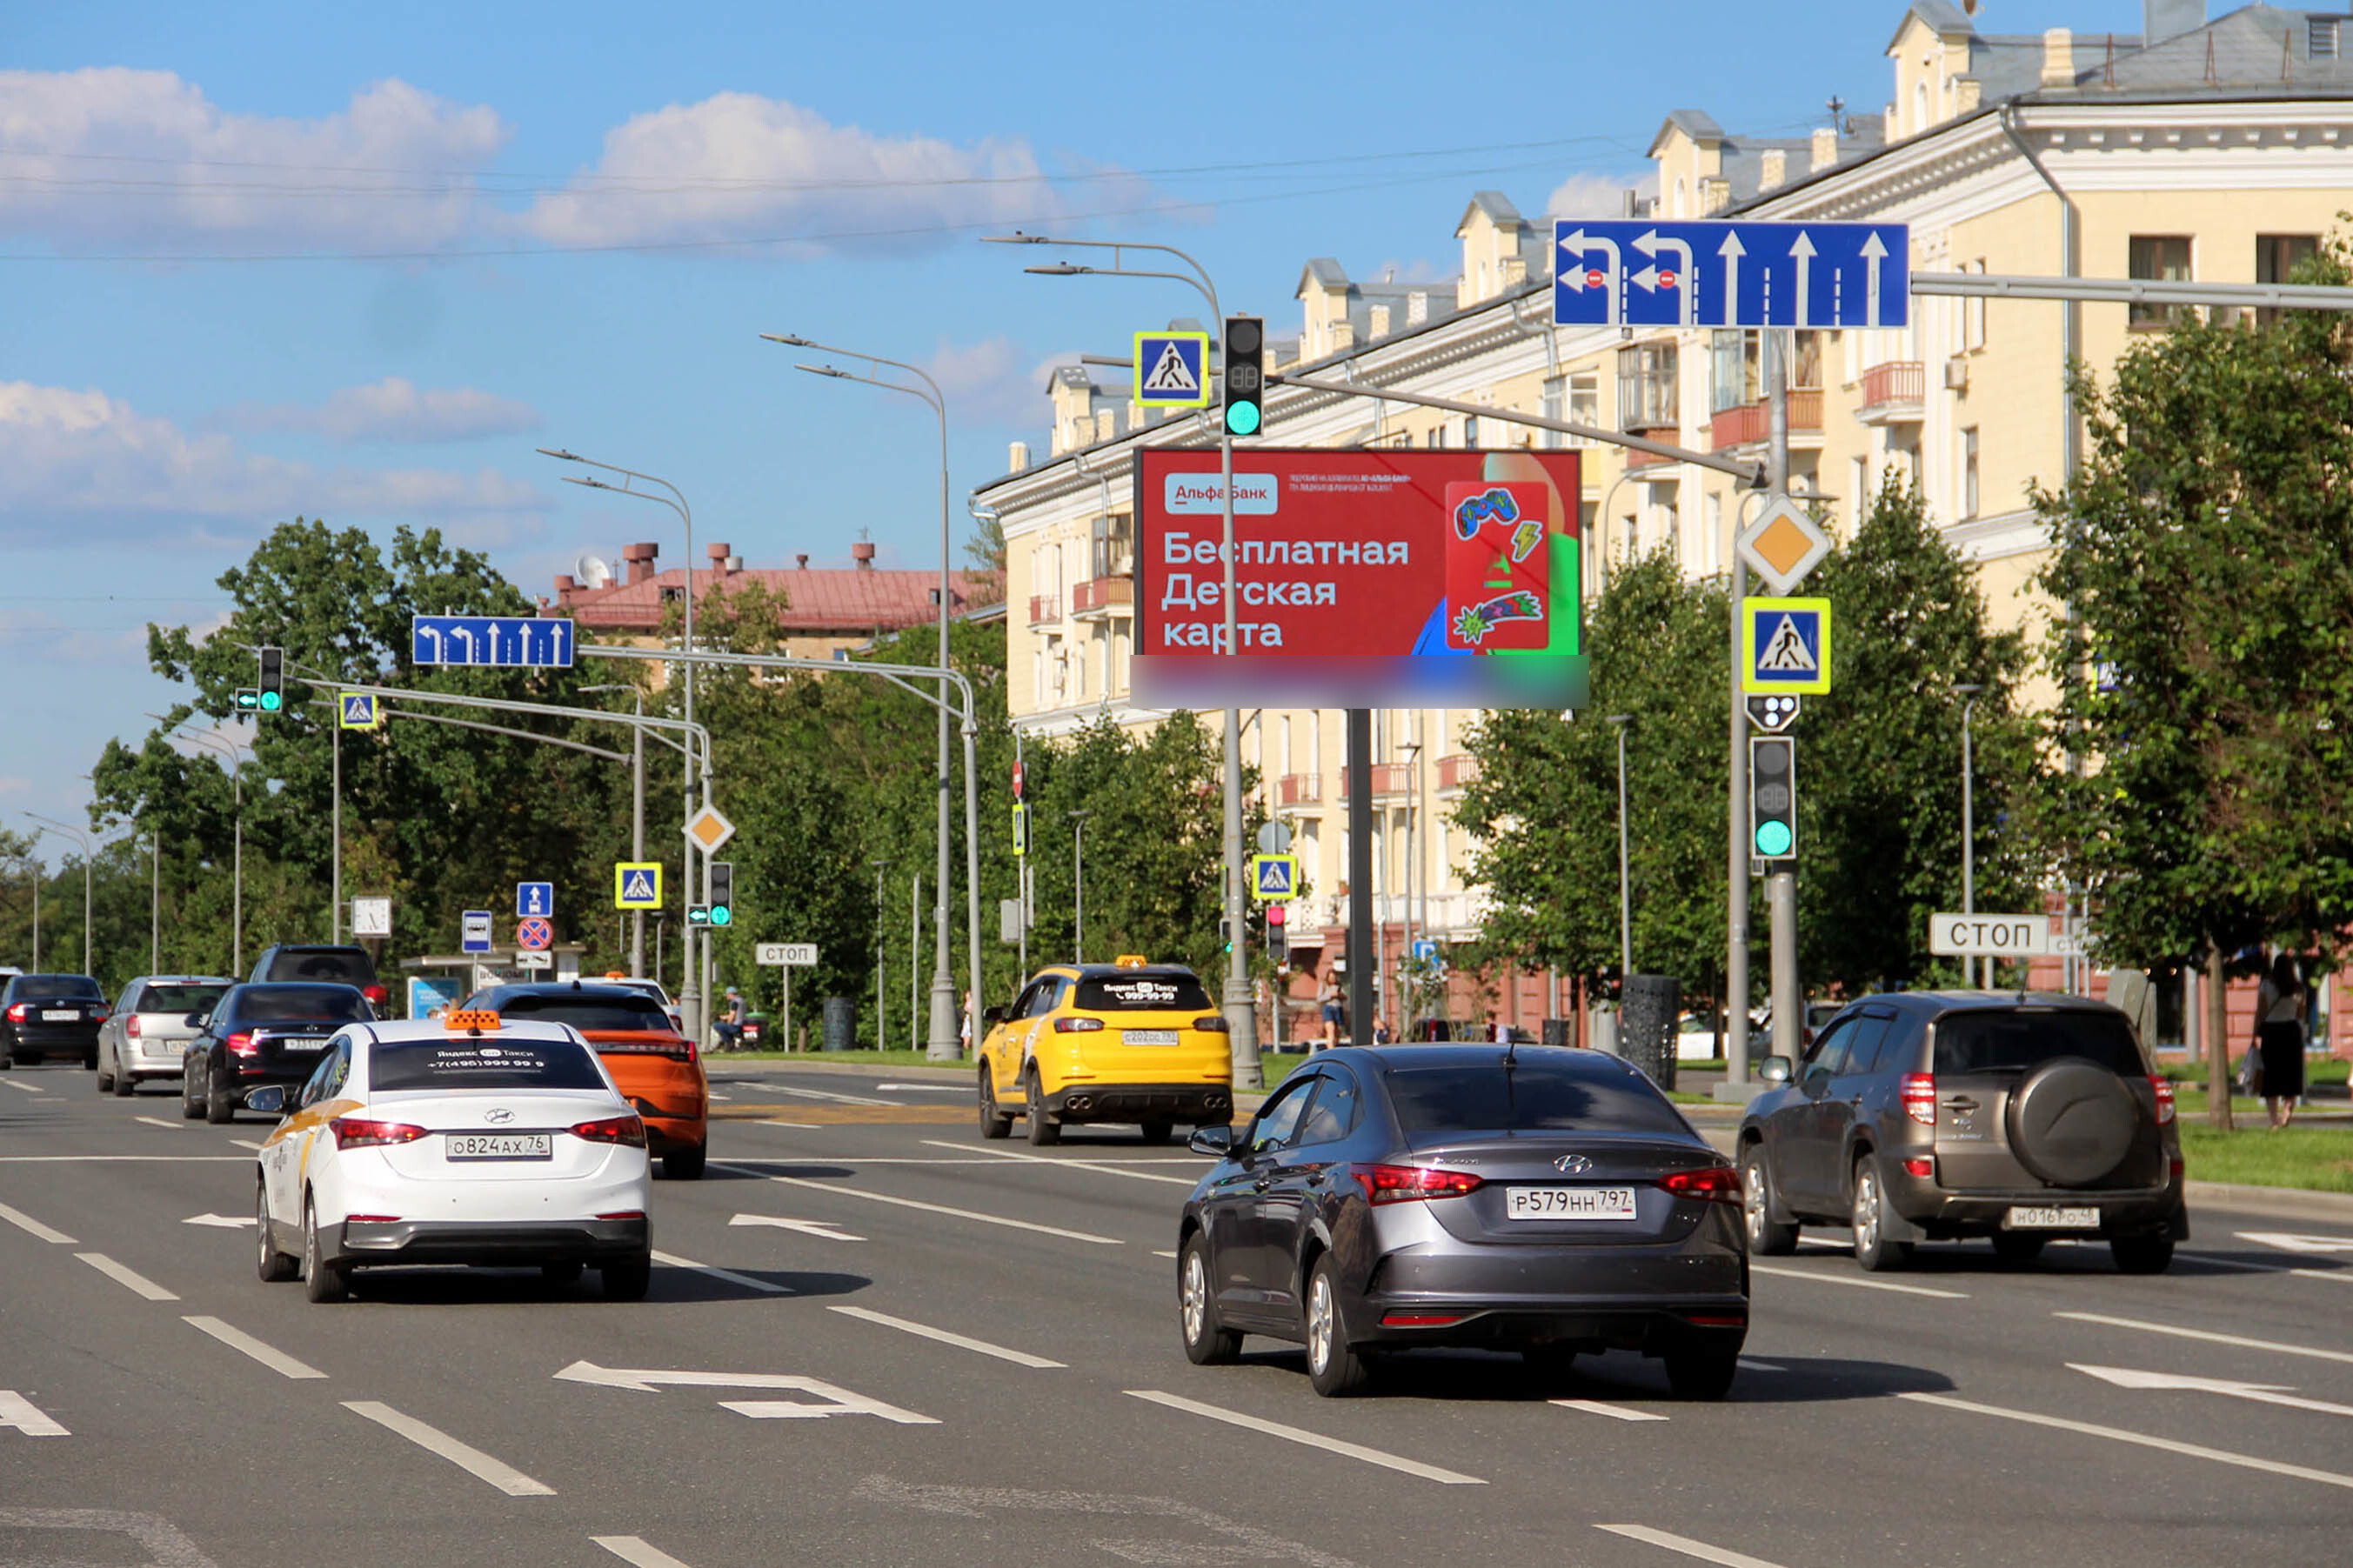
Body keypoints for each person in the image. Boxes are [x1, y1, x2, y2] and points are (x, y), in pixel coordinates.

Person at [2254, 952, 2307, 1130]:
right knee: (2291, 1075)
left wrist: (2256, 1034)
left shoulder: (2266, 985)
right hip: (2291, 1032)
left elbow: (2260, 1012)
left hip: (2271, 1033)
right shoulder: (2298, 988)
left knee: (2271, 1077)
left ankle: (2273, 1120)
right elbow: (2301, 1014)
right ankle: (2287, 1115)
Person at [1317, 971, 1342, 1052]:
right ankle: (1331, 1052)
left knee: (1338, 1032)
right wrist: (1330, 995)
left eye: (1334, 977)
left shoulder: (1339, 986)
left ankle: (1334, 1047)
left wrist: (1339, 995)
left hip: (1338, 1008)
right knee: (1331, 1030)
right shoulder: (1324, 985)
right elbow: (1319, 998)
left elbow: (1345, 997)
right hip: (1328, 1008)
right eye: (1331, 977)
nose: (1333, 979)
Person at [714, 986, 745, 1051]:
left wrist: (727, 1021)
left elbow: (732, 1016)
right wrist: (725, 1017)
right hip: (741, 1025)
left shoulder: (734, 1002)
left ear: (731, 994)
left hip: (735, 1026)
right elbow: (738, 1014)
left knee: (716, 1025)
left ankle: (728, 1042)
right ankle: (730, 1044)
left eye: (727, 995)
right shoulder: (742, 1000)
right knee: (723, 1026)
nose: (726, 996)